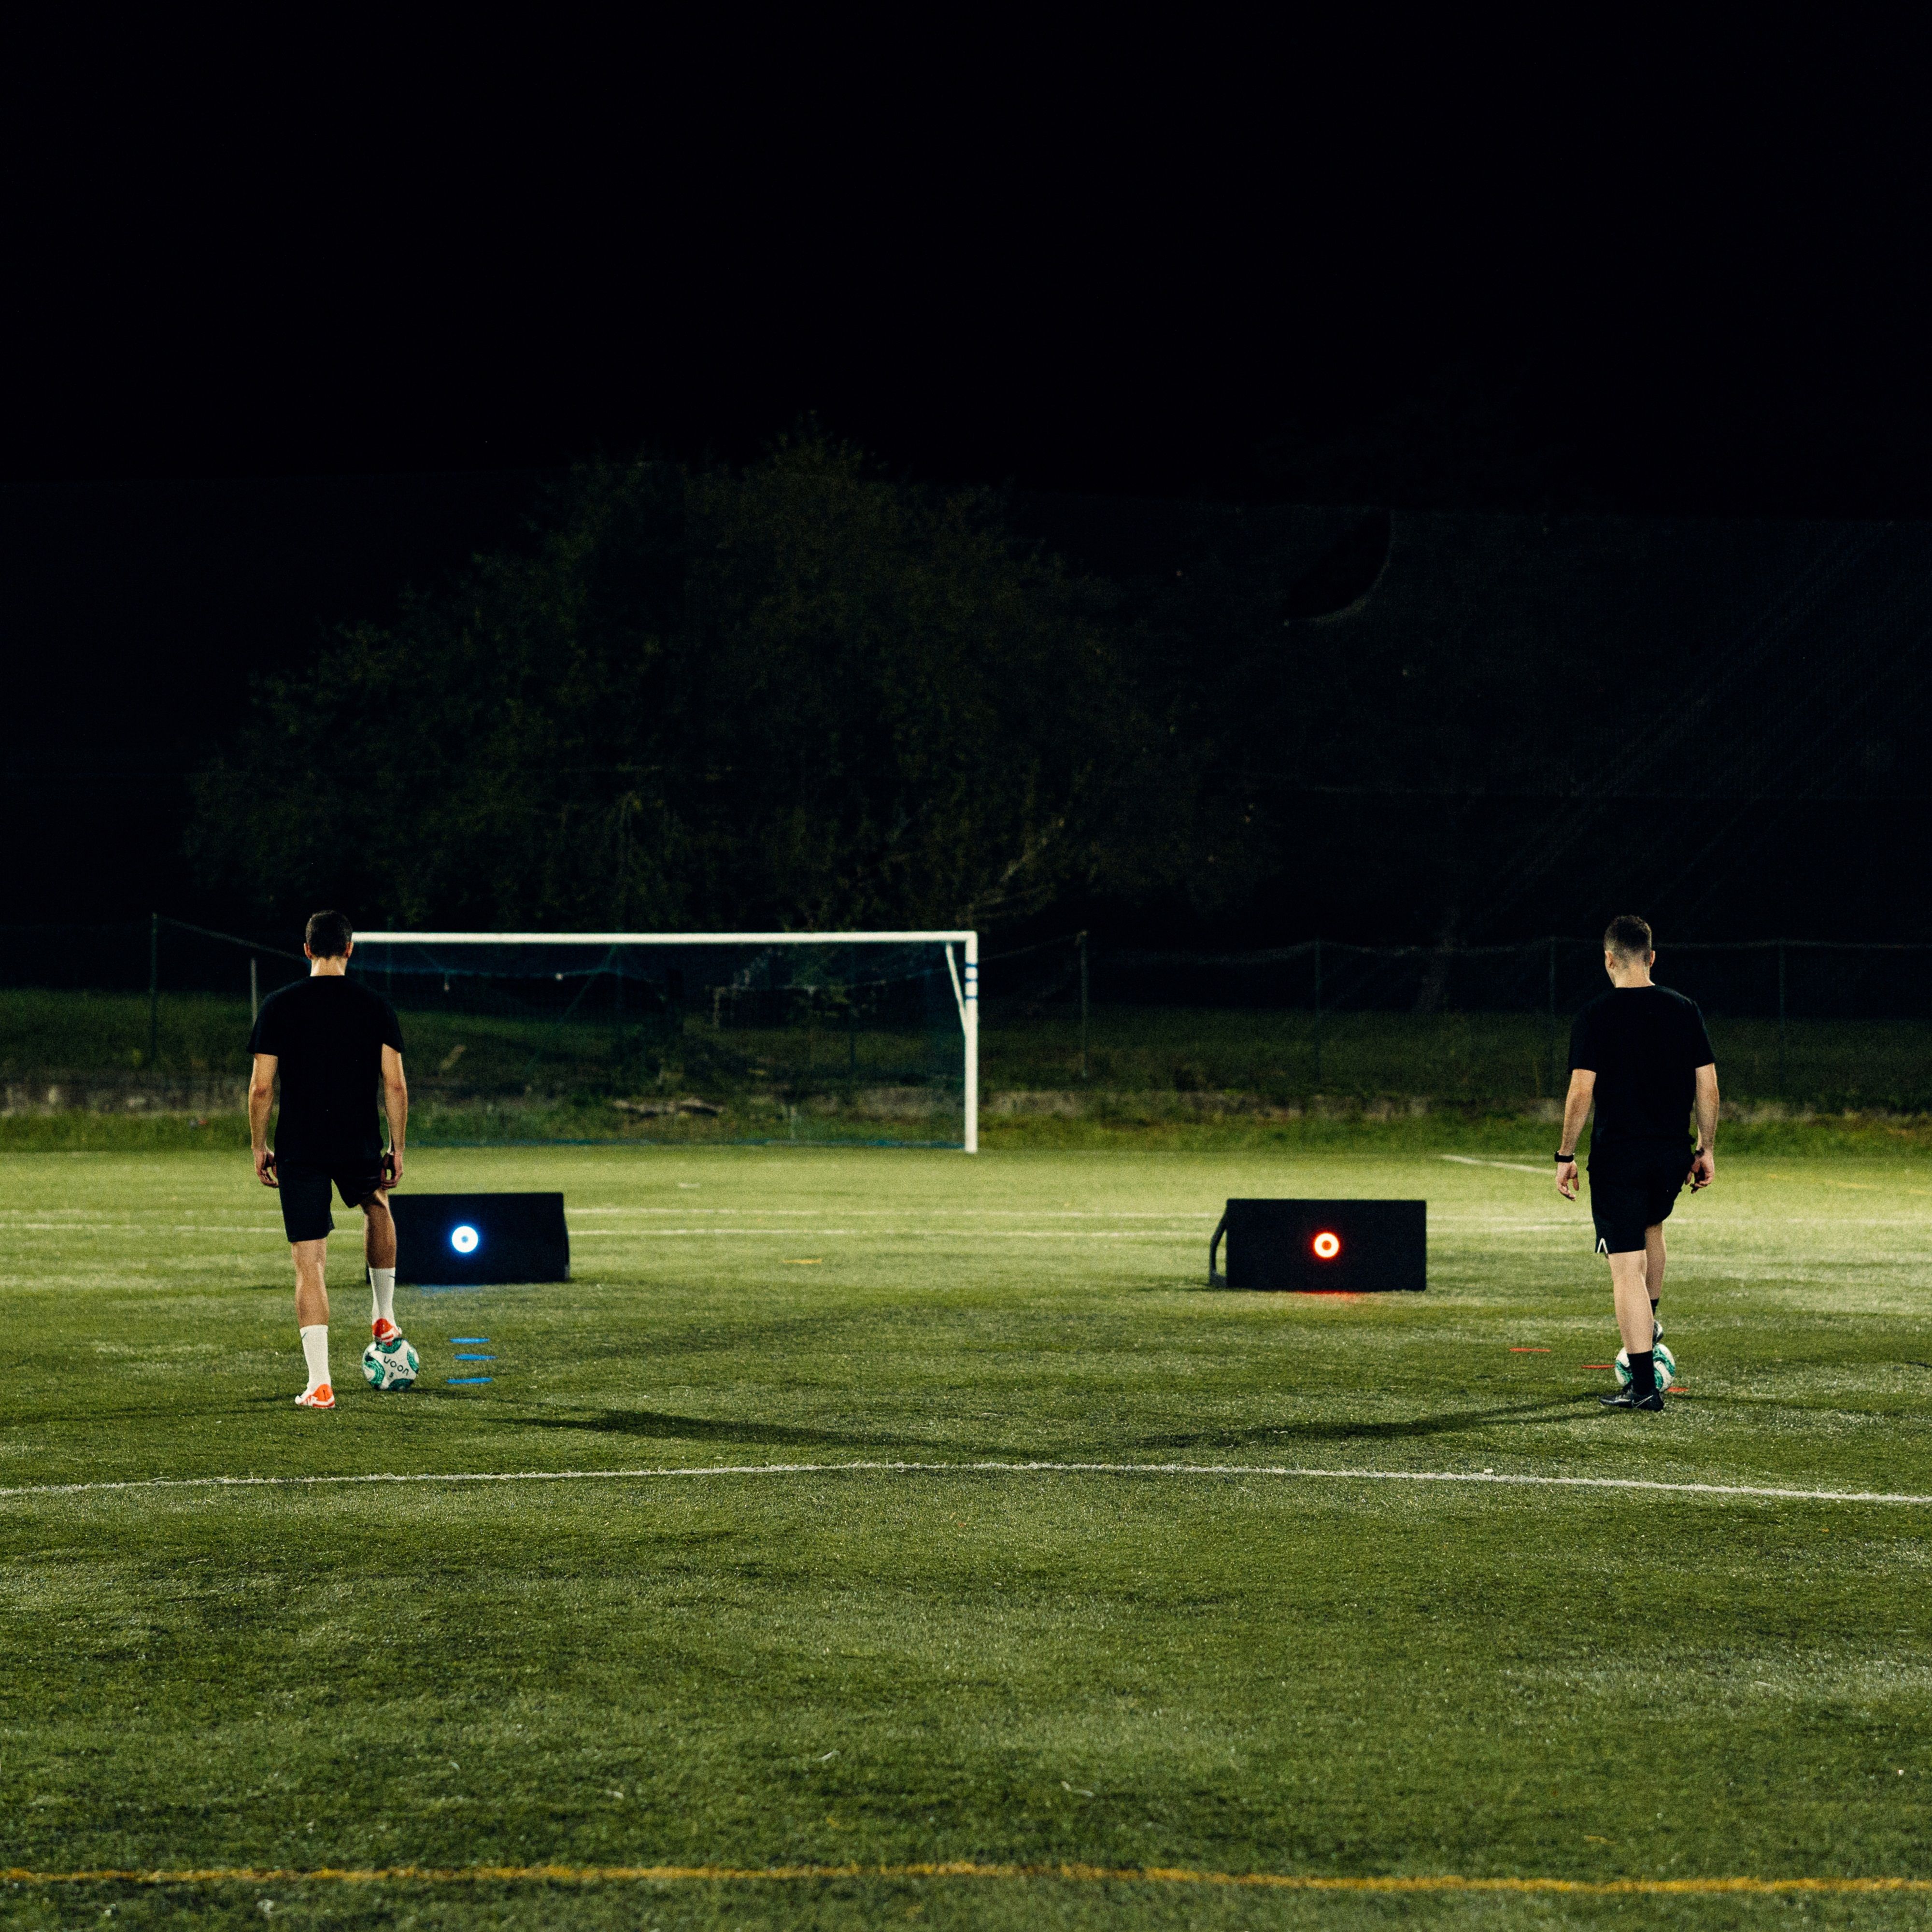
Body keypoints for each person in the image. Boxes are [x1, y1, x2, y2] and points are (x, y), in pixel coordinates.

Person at [247, 910, 409, 1408]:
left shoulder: (279, 1005)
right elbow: (395, 1083)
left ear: (306, 949)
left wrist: (259, 1145)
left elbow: (261, 1088)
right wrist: (396, 1145)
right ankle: (383, 1313)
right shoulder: (374, 1004)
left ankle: (320, 1383)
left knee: (309, 1262)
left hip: (301, 1145)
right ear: (350, 949)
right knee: (377, 1205)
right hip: (357, 1137)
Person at [1556, 914, 1718, 1411]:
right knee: (1653, 1232)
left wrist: (1565, 1154)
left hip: (1619, 1156)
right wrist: (1704, 1148)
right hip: (1669, 1153)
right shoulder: (1684, 1009)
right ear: (1651, 957)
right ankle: (1651, 1323)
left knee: (1624, 1266)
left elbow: (1581, 1090)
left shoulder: (1595, 1014)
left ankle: (1644, 1385)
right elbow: (1707, 1086)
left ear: (1609, 958)